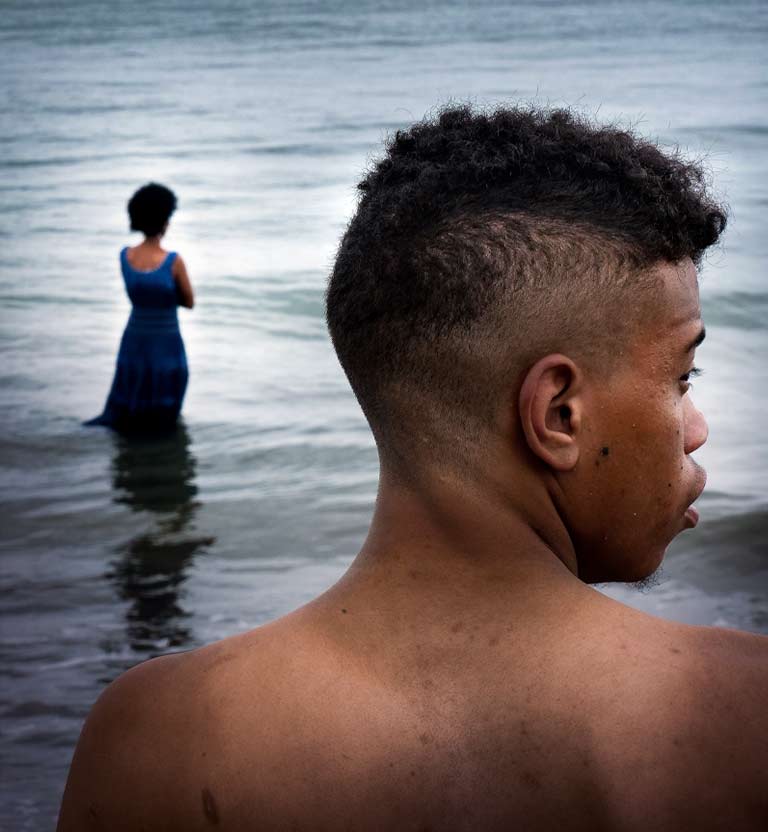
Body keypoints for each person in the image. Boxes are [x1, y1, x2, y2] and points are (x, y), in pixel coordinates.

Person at [59, 106, 767, 831]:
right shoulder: (744, 715)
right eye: (685, 375)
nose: (697, 428)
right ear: (559, 415)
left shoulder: (156, 737)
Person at [85, 183, 194, 433]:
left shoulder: (126, 256)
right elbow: (189, 302)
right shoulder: (173, 261)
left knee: (133, 386)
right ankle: (158, 443)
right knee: (165, 391)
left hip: (134, 335)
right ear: (165, 221)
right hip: (166, 338)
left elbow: (139, 292)